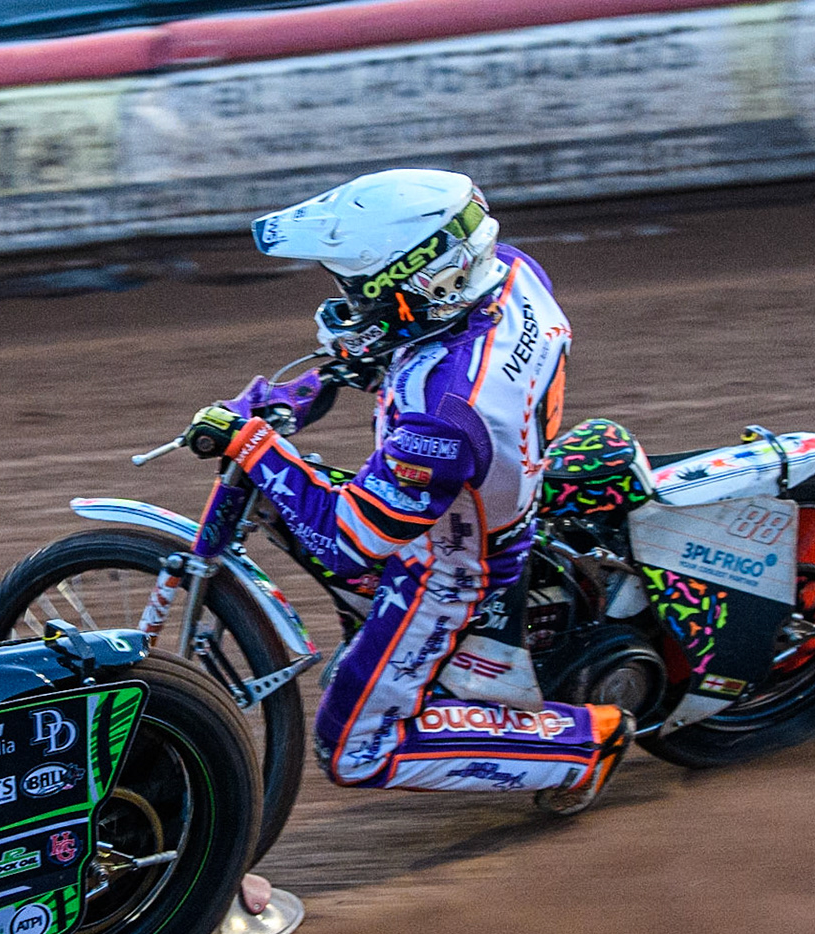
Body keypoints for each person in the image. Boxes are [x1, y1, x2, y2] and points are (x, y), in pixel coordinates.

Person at [189, 169, 634, 827]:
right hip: (489, 489)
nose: (351, 304)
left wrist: (255, 446)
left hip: (453, 564)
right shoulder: (507, 272)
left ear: (427, 283)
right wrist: (322, 382)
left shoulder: (443, 413)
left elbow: (350, 542)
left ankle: (583, 746)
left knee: (350, 748)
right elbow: (393, 354)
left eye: (364, 291)